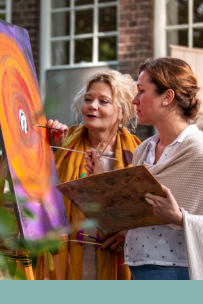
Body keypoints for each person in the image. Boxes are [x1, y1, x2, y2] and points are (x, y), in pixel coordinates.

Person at [86, 58, 203, 280]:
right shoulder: (143, 151)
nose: (134, 100)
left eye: (141, 91)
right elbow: (136, 210)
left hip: (176, 272)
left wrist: (179, 217)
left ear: (167, 97)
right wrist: (103, 183)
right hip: (137, 267)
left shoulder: (201, 151)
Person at [35, 70, 141, 280]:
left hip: (115, 257)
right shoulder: (65, 143)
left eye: (104, 101)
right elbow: (40, 194)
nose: (93, 106)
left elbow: (143, 211)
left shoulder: (138, 152)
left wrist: (128, 235)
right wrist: (53, 150)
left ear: (122, 112)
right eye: (88, 99)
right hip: (67, 259)